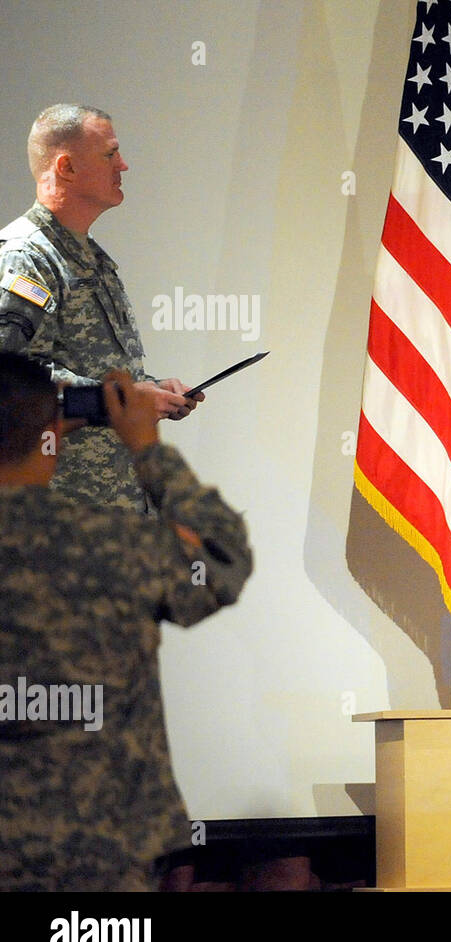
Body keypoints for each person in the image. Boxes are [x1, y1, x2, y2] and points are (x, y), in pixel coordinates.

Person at [0, 352, 252, 890]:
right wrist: (144, 445)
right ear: (50, 436)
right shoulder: (112, 544)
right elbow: (223, 556)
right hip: (102, 855)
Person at [0, 104, 201, 511]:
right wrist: (119, 400)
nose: (123, 165)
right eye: (110, 155)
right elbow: (11, 381)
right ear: (67, 167)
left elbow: (86, 366)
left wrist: (151, 391)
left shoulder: (90, 257)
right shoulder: (27, 258)